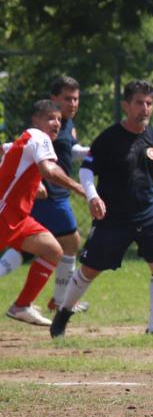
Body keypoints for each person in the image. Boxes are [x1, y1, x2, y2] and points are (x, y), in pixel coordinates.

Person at [50, 80, 153, 338]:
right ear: (126, 105)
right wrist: (92, 196)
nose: (144, 108)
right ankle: (64, 312)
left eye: (149, 103)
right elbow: (87, 170)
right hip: (112, 216)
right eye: (138, 103)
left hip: (148, 213)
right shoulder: (109, 138)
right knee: (90, 269)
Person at [2, 99, 93, 325]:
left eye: (59, 120)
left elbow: (8, 152)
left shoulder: (26, 140)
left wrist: (34, 183)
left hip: (19, 218)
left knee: (53, 250)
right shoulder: (39, 137)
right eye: (50, 118)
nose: (56, 123)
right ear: (36, 120)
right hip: (4, 215)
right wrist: (79, 187)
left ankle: (21, 306)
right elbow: (49, 170)